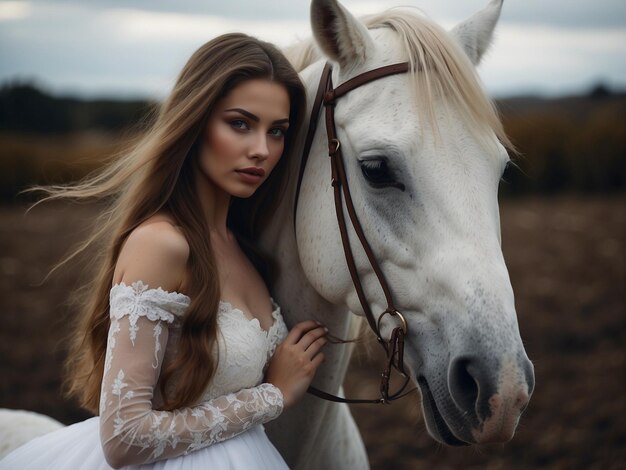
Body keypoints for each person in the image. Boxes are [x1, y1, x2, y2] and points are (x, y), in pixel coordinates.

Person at [0, 33, 326, 469]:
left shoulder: (243, 247)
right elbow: (123, 437)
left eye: (278, 131)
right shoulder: (162, 244)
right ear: (194, 122)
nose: (261, 150)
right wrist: (273, 396)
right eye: (240, 123)